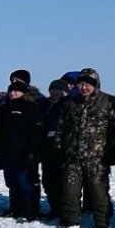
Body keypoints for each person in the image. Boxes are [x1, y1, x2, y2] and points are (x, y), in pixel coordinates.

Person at [58, 67, 115, 228]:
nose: (84, 87)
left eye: (88, 84)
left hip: (97, 158)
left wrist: (114, 152)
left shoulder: (108, 102)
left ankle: (102, 224)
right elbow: (62, 126)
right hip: (73, 157)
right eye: (81, 84)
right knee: (69, 192)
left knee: (98, 193)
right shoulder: (70, 103)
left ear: (96, 85)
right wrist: (59, 146)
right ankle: (70, 222)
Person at [0, 81, 42, 221]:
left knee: (26, 182)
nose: (13, 93)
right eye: (11, 91)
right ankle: (15, 208)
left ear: (23, 93)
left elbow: (36, 131)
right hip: (8, 154)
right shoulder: (4, 108)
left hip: (25, 154)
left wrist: (32, 151)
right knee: (12, 183)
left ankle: (31, 210)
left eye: (16, 91)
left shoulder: (31, 108)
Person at [40, 79, 71, 220]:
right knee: (48, 180)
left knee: (63, 181)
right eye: (51, 89)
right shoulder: (44, 105)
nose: (54, 92)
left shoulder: (68, 104)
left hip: (62, 148)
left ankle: (65, 210)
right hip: (46, 147)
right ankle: (54, 208)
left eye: (57, 89)